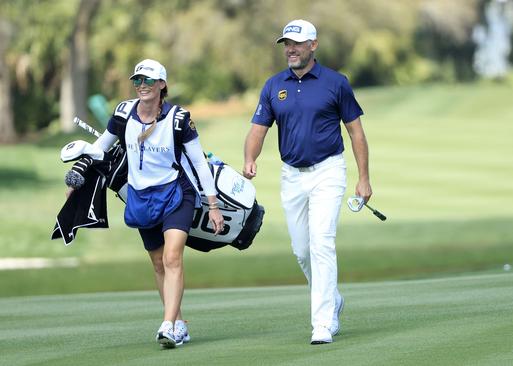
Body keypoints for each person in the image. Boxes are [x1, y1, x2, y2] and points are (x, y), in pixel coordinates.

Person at [243, 19, 373, 344]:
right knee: (302, 250)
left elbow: (356, 132)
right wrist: (250, 158)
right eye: (287, 43)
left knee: (321, 243)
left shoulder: (336, 83)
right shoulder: (274, 86)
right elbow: (258, 129)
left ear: (313, 45)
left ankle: (323, 323)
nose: (291, 49)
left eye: (297, 43)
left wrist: (364, 179)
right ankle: (333, 298)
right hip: (292, 176)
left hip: (328, 171)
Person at [83, 59, 224, 348]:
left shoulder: (179, 118)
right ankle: (179, 323)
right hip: (140, 197)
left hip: (176, 193)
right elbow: (100, 148)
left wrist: (212, 204)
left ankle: (168, 324)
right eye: (137, 80)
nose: (142, 86)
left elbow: (199, 162)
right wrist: (78, 176)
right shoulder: (123, 113)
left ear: (162, 84)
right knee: (159, 264)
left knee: (173, 258)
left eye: (148, 80)